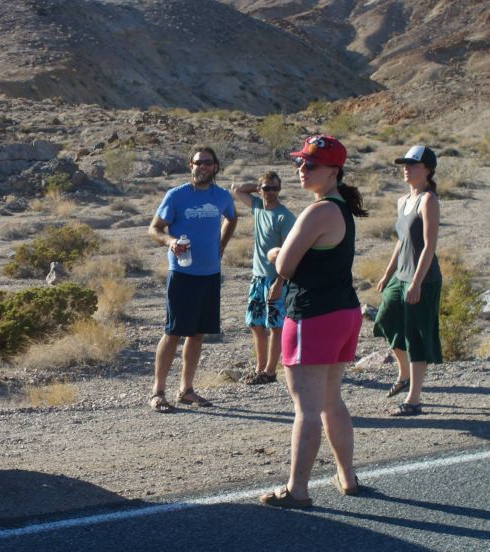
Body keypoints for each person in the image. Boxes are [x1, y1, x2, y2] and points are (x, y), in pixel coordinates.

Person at [260, 135, 366, 508]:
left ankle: (297, 489)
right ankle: (347, 476)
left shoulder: (319, 211)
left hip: (313, 315)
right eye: (300, 163)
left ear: (334, 171)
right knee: (331, 400)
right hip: (344, 312)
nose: (301, 170)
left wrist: (274, 250)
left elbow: (285, 265)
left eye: (310, 165)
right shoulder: (340, 209)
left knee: (306, 408)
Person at [147, 146, 238, 412]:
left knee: (197, 334)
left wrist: (222, 243)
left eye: (208, 163)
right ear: (190, 165)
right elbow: (154, 228)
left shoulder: (221, 196)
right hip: (182, 273)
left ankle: (186, 390)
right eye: (198, 163)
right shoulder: (176, 195)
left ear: (215, 166)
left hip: (210, 273)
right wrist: (170, 241)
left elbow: (232, 218)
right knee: (173, 331)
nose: (203, 167)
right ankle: (158, 392)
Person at [373, 145, 443, 416]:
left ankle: (413, 399)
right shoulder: (403, 201)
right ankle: (404, 373)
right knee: (385, 320)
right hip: (400, 275)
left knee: (415, 335)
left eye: (412, 164)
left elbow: (429, 246)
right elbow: (401, 243)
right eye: (405, 164)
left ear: (427, 170)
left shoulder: (429, 200)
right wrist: (387, 274)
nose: (406, 168)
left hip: (422, 280)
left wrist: (416, 282)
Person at [230, 172, 296, 385]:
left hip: (275, 278)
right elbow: (238, 190)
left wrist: (280, 282)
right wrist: (258, 185)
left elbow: (289, 254)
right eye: (267, 188)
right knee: (256, 324)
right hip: (258, 277)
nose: (271, 192)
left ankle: (269, 371)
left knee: (276, 326)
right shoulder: (258, 206)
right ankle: (260, 367)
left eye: (275, 188)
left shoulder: (284, 216)